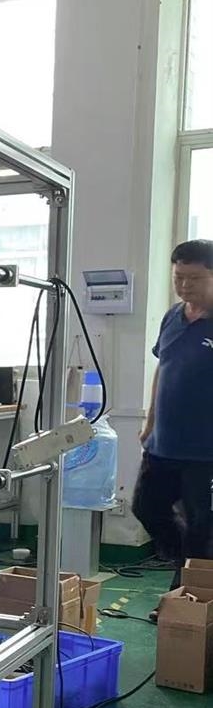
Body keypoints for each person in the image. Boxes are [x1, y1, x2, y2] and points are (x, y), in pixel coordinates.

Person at [132, 239, 213, 595]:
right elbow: (162, 369)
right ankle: (186, 569)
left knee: (201, 527)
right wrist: (150, 423)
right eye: (178, 277)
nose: (184, 285)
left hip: (205, 452)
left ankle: (188, 601)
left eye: (194, 278)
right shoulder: (172, 317)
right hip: (163, 443)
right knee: (146, 508)